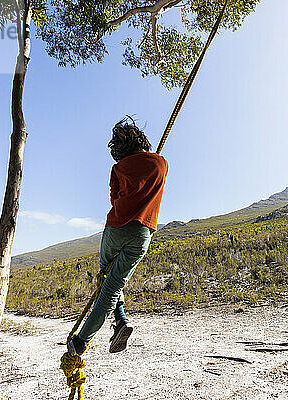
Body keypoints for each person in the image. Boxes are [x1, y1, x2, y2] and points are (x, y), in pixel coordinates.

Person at [68, 117, 168, 355]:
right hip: (143, 232)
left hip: (116, 228)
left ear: (119, 149)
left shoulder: (118, 168)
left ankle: (83, 339)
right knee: (115, 283)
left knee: (107, 279)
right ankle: (119, 320)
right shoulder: (162, 163)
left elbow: (114, 199)